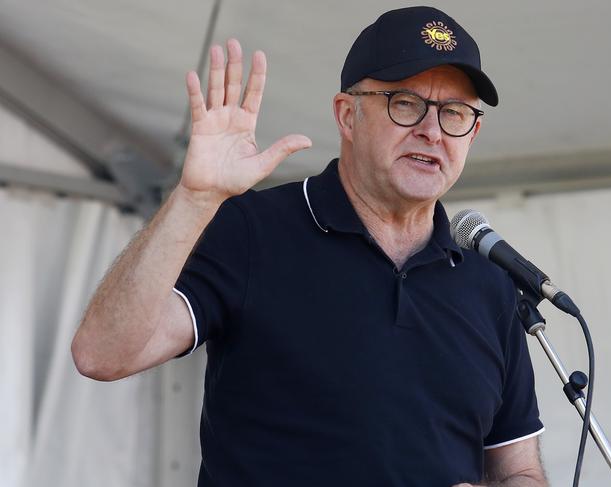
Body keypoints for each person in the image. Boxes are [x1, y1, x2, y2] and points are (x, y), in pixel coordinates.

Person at [72, 6, 547, 487]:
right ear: (348, 114)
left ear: (474, 131)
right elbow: (102, 355)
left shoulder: (489, 288)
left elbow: (520, 471)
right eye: (406, 103)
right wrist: (194, 200)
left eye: (455, 113)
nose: (432, 130)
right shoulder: (254, 231)